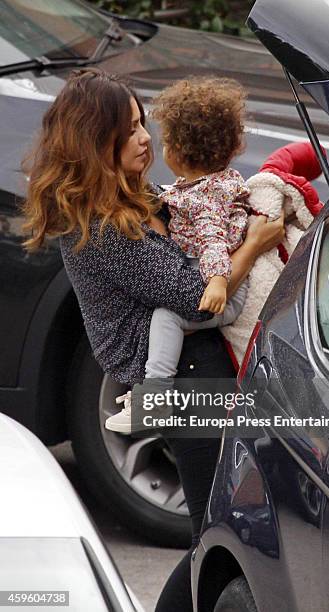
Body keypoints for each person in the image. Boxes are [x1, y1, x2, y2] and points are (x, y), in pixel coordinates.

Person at [21, 68, 285, 612]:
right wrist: (254, 242)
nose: (147, 139)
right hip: (183, 376)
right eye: (132, 129)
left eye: (144, 124)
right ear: (97, 142)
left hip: (199, 362)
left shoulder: (132, 200)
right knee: (218, 535)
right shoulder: (100, 229)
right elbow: (193, 296)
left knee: (219, 531)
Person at [106, 76, 254, 434]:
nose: (147, 139)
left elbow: (213, 241)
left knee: (166, 317)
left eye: (158, 134)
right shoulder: (215, 183)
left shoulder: (199, 200)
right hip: (221, 283)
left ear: (178, 152)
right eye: (134, 128)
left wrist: (219, 282)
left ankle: (154, 399)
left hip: (222, 287)